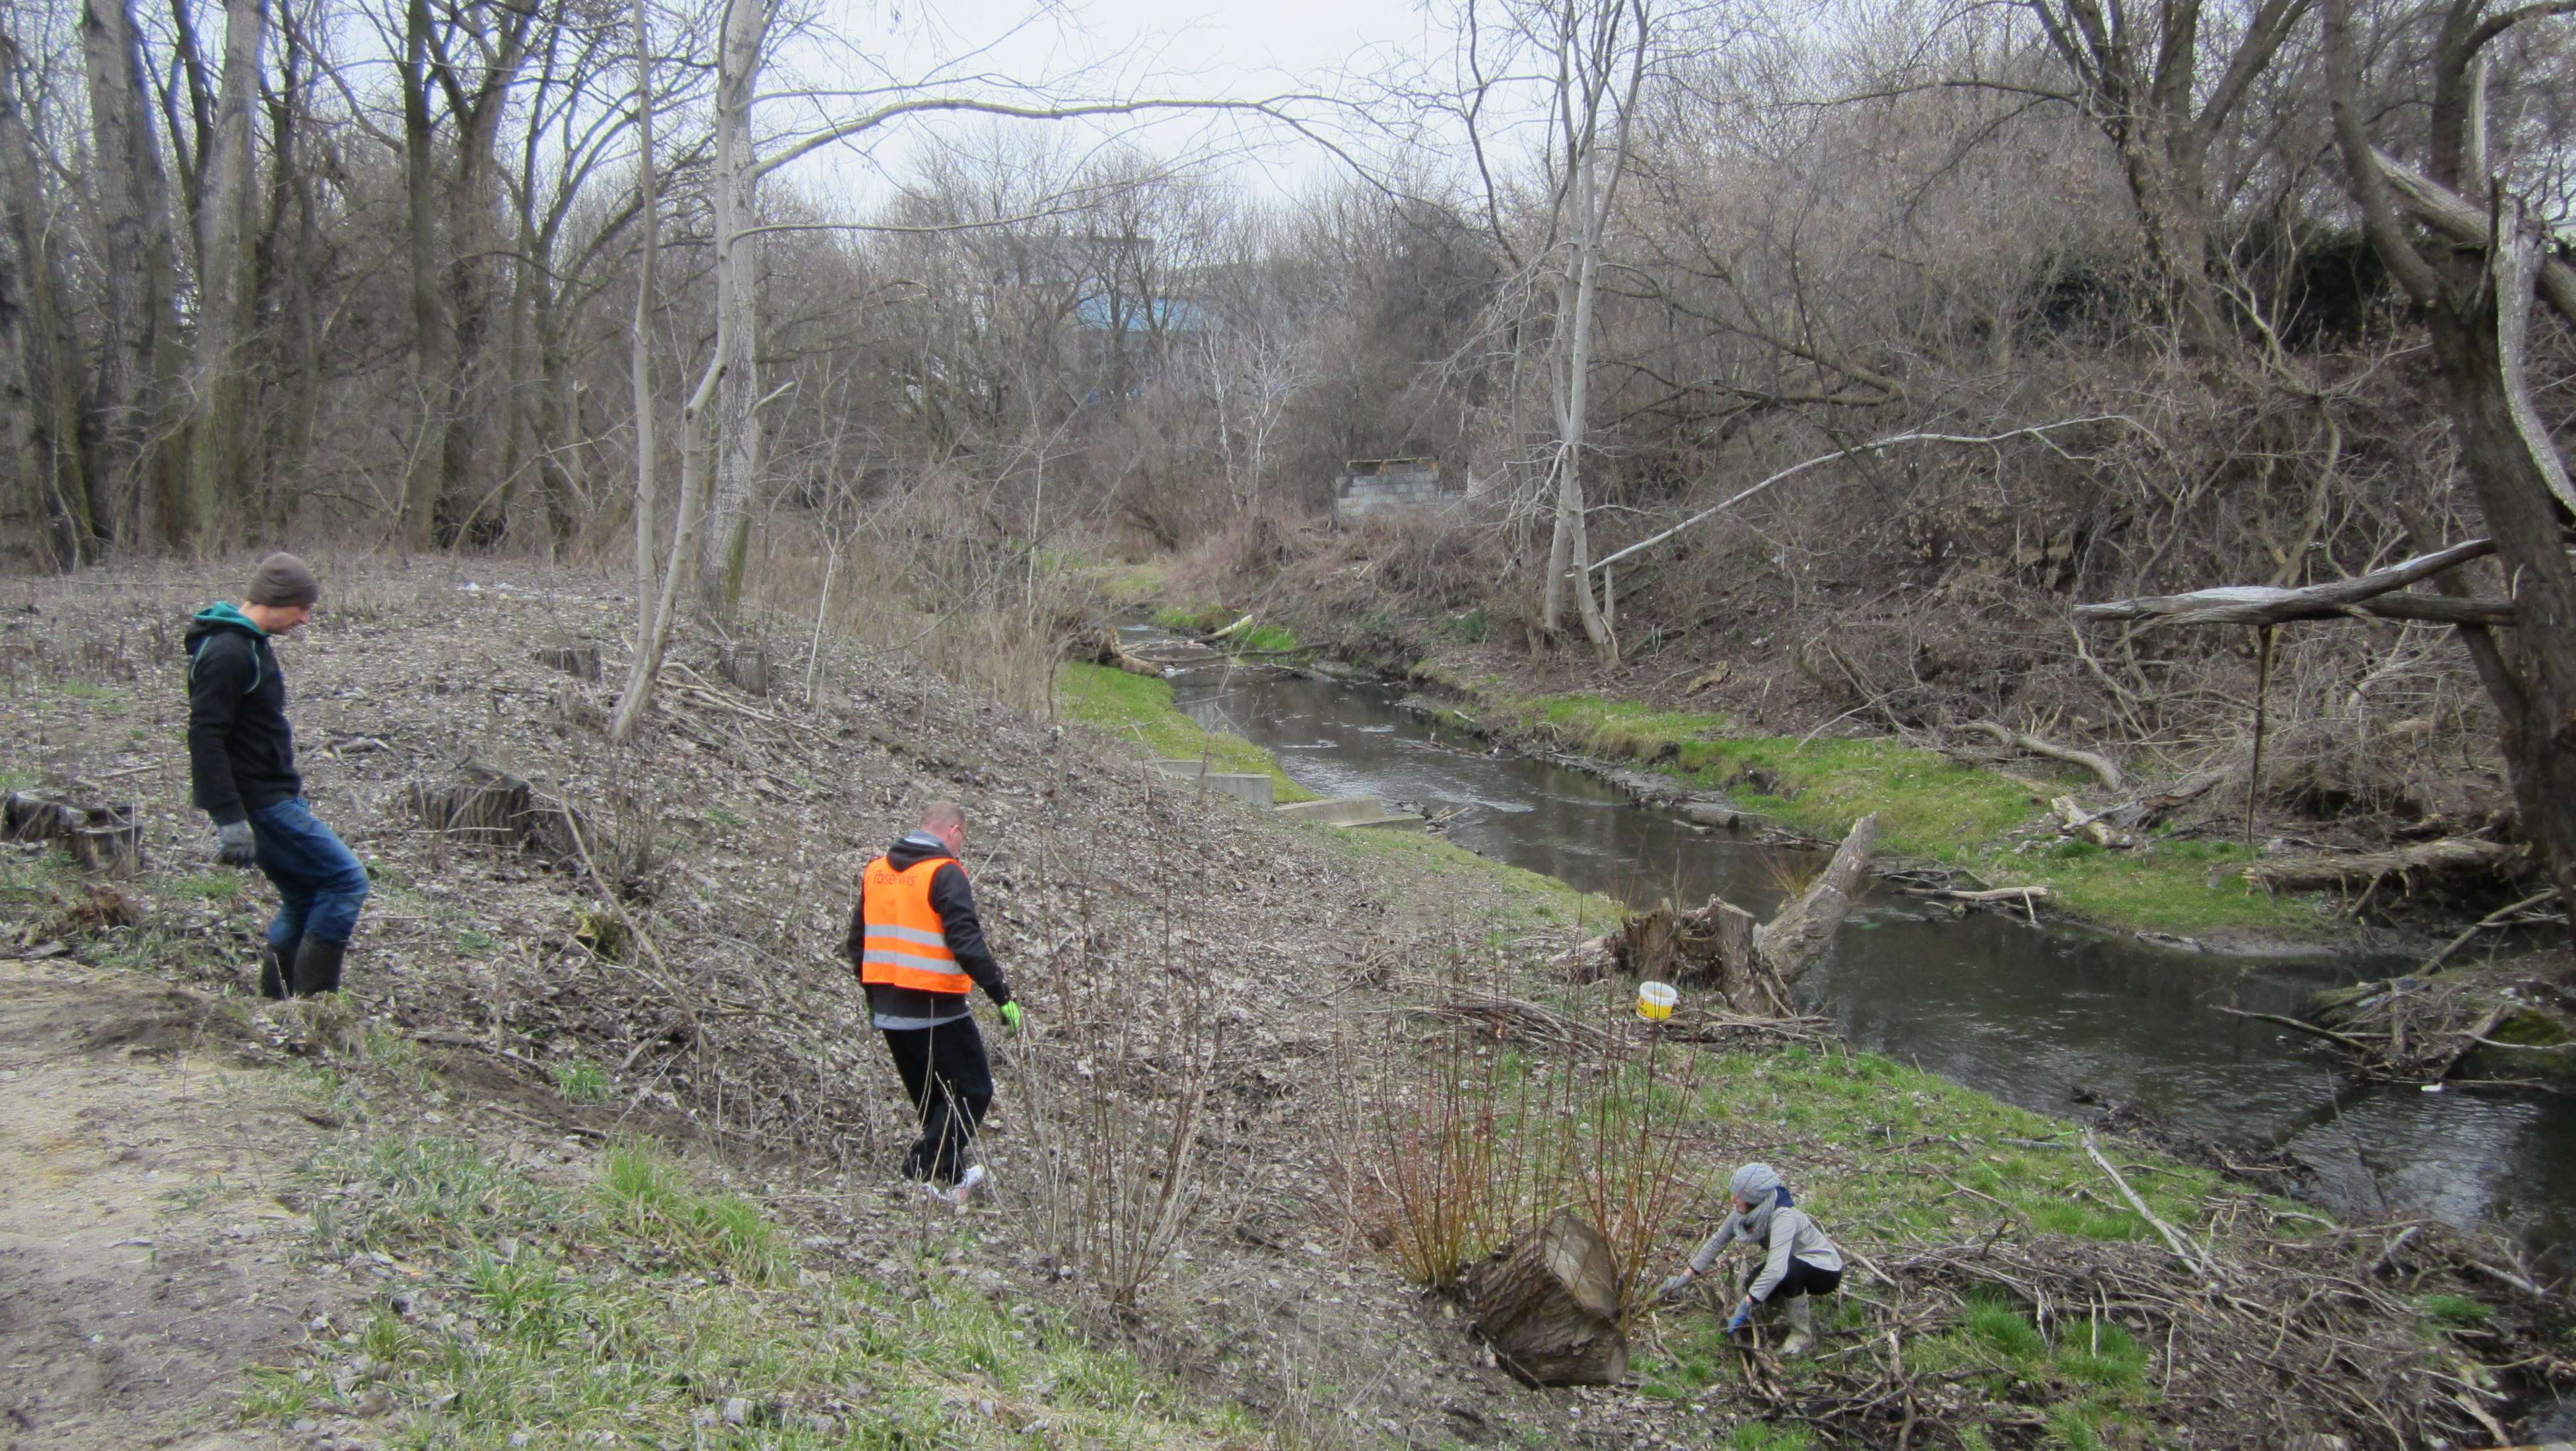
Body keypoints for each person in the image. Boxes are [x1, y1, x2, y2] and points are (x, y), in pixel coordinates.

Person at [185, 553, 370, 999]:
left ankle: (277, 1005)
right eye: (302, 607)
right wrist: (230, 816)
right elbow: (205, 736)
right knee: (346, 880)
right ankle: (317, 1005)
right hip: (260, 801)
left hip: (275, 793)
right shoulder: (228, 651)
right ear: (277, 599)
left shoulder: (249, 643)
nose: (306, 618)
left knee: (305, 894)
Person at [845, 800, 1022, 1200]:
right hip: (935, 1006)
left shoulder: (877, 871)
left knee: (935, 1101)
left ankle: (952, 1177)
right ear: (954, 831)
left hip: (889, 1008)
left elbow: (858, 941)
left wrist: (871, 995)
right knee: (974, 1091)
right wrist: (1002, 996)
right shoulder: (945, 873)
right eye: (963, 839)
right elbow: (966, 942)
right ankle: (917, 1171)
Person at [1660, 1162, 1844, 1356]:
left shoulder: (1784, 1218)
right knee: (1753, 1284)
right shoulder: (1746, 1213)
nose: (1733, 1199)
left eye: (1739, 1196)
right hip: (1792, 1262)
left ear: (1754, 1198)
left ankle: (1802, 1334)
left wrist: (1746, 1304)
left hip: (1825, 1271)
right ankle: (1792, 1310)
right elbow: (1716, 1243)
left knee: (1785, 1275)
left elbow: (1776, 1270)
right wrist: (1685, 1277)